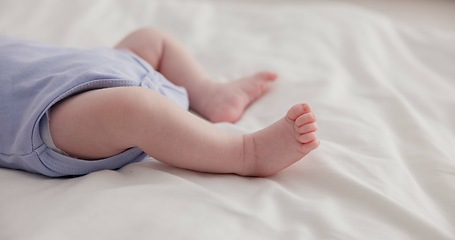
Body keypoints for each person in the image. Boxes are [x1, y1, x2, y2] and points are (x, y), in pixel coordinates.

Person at [0, 28, 319, 177]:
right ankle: (245, 153)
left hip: (91, 68)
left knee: (150, 39)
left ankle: (209, 93)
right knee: (133, 110)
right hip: (47, 115)